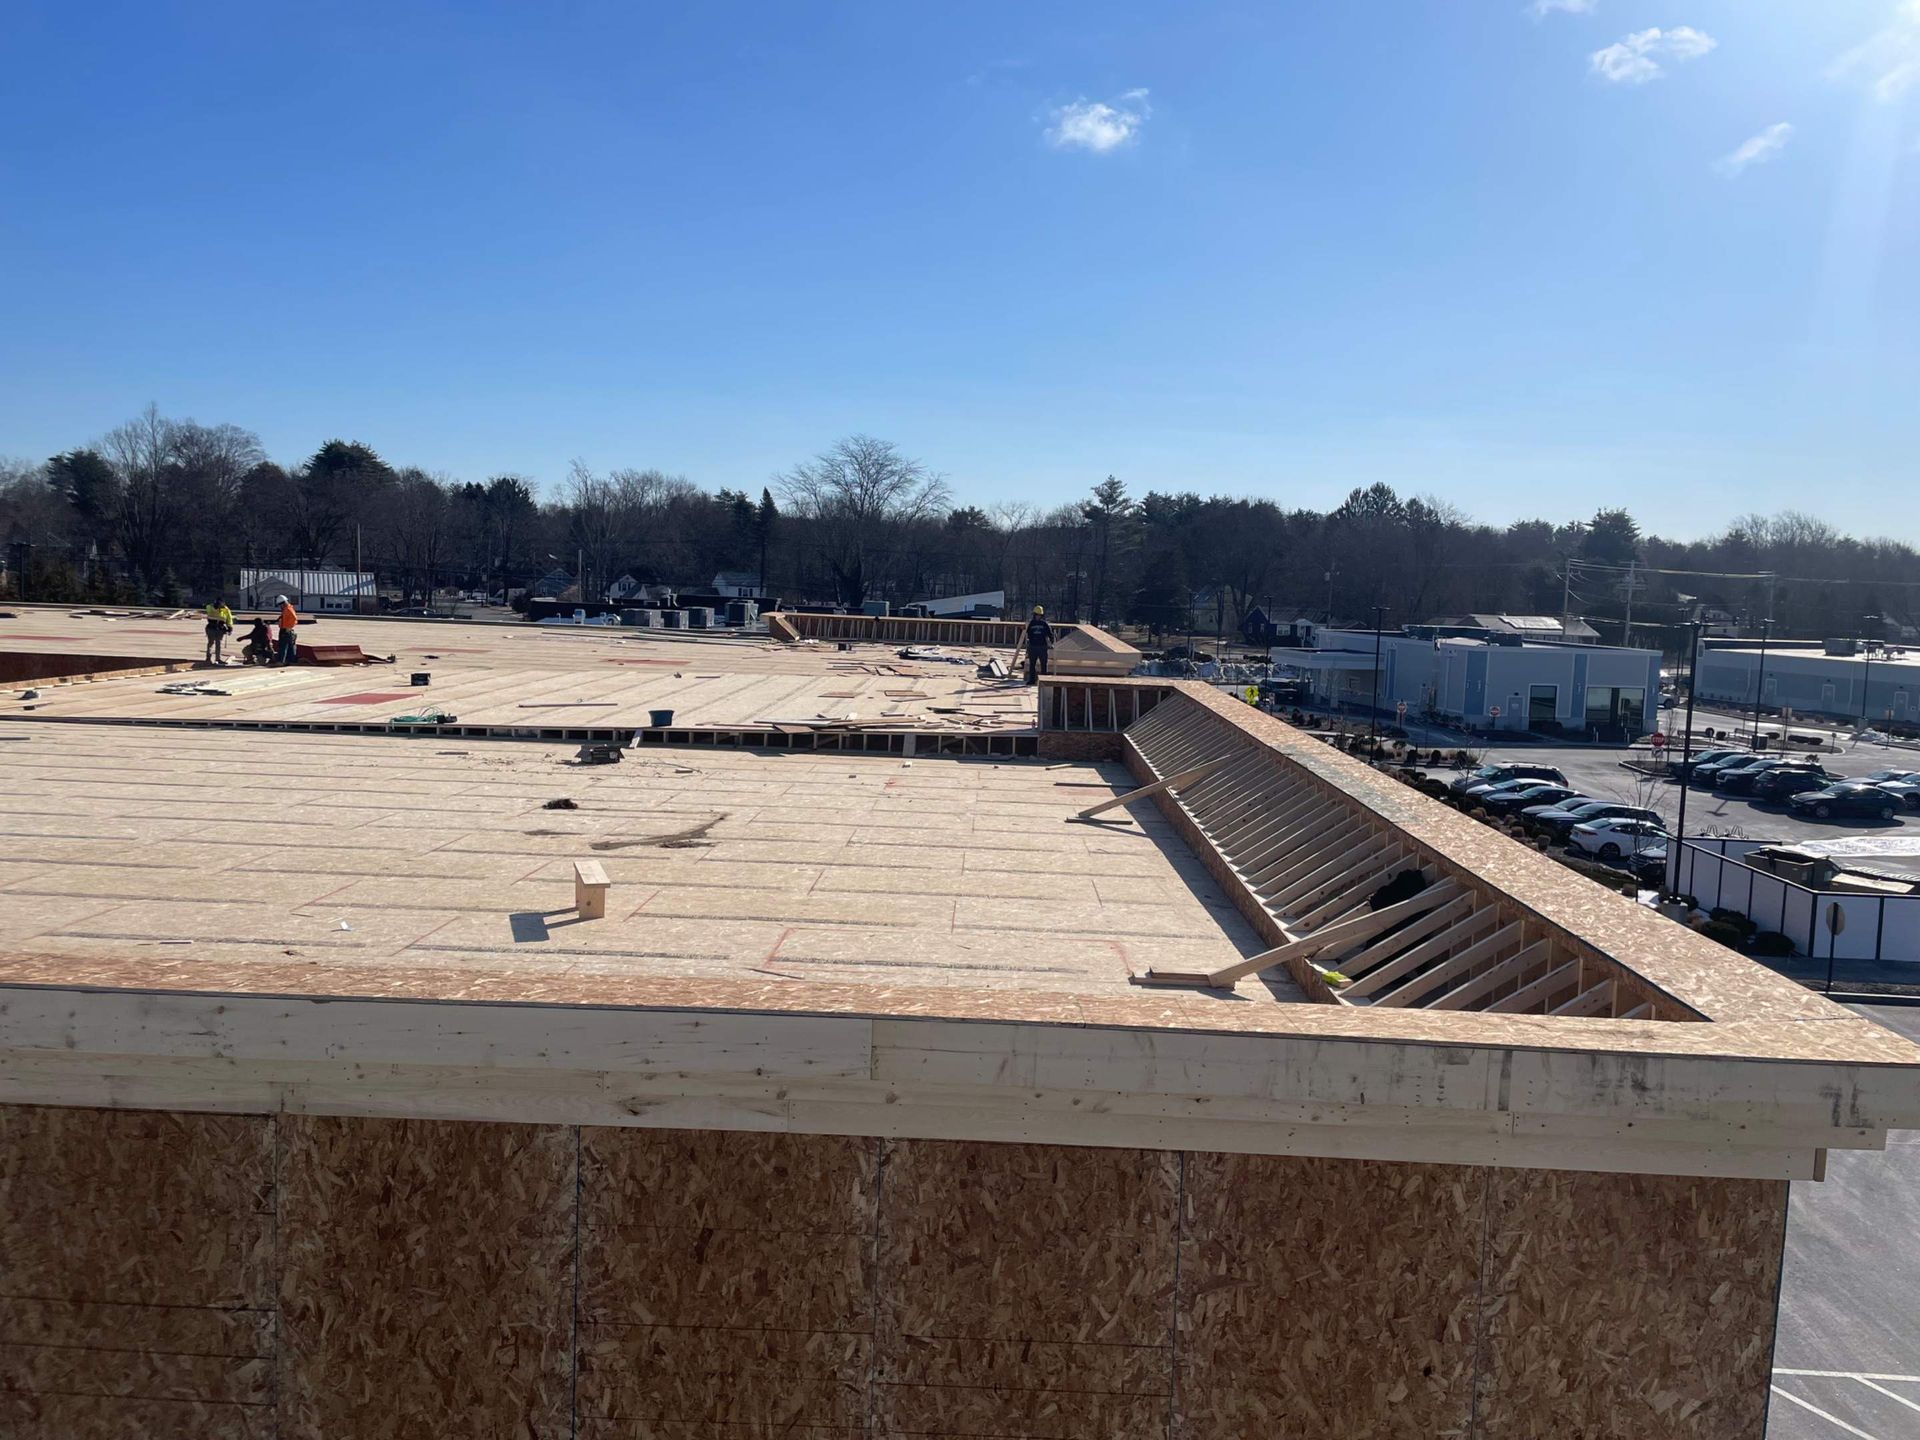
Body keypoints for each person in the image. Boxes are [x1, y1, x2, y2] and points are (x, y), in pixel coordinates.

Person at [1023, 604, 1053, 685]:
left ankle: (1044, 681)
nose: (1038, 616)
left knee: (1044, 664)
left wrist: (1051, 643)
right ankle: (1032, 680)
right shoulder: (1031, 624)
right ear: (1034, 615)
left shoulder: (1044, 624)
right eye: (1036, 615)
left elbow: (1050, 634)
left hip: (1042, 646)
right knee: (1032, 664)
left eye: (1039, 615)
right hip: (1033, 646)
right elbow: (1027, 634)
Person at [202, 596, 233, 665]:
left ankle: (218, 659)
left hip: (220, 628)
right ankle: (208, 658)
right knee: (211, 643)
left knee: (218, 644)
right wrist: (216, 606)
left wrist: (230, 627)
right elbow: (208, 608)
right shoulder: (210, 607)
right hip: (211, 627)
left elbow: (229, 618)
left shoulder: (226, 609)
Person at [273, 595, 300, 666]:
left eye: (280, 605)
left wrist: (288, 627)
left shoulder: (288, 609)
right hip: (285, 630)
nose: (280, 607)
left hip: (286, 630)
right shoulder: (286, 609)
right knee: (290, 647)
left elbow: (294, 619)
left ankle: (281, 661)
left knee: (283, 646)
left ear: (283, 603)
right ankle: (291, 660)